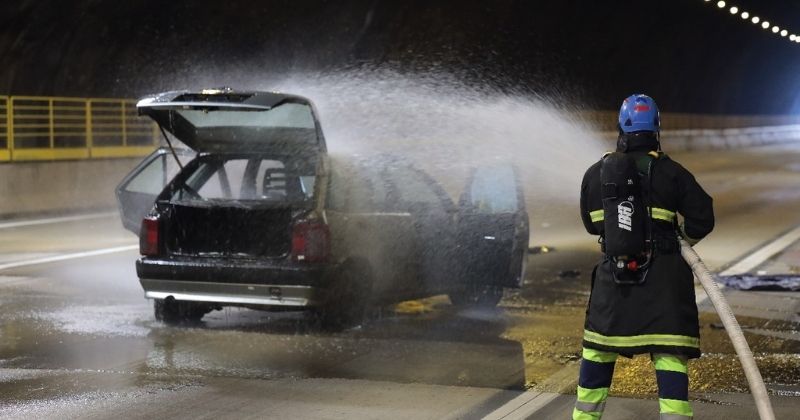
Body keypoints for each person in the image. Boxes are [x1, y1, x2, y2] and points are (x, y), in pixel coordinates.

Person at [574, 94, 715, 420]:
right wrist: (681, 240)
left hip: (615, 287)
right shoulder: (672, 172)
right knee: (668, 353)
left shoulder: (596, 174)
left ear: (621, 127)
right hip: (663, 288)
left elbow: (591, 223)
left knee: (597, 351)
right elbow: (703, 218)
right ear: (657, 128)